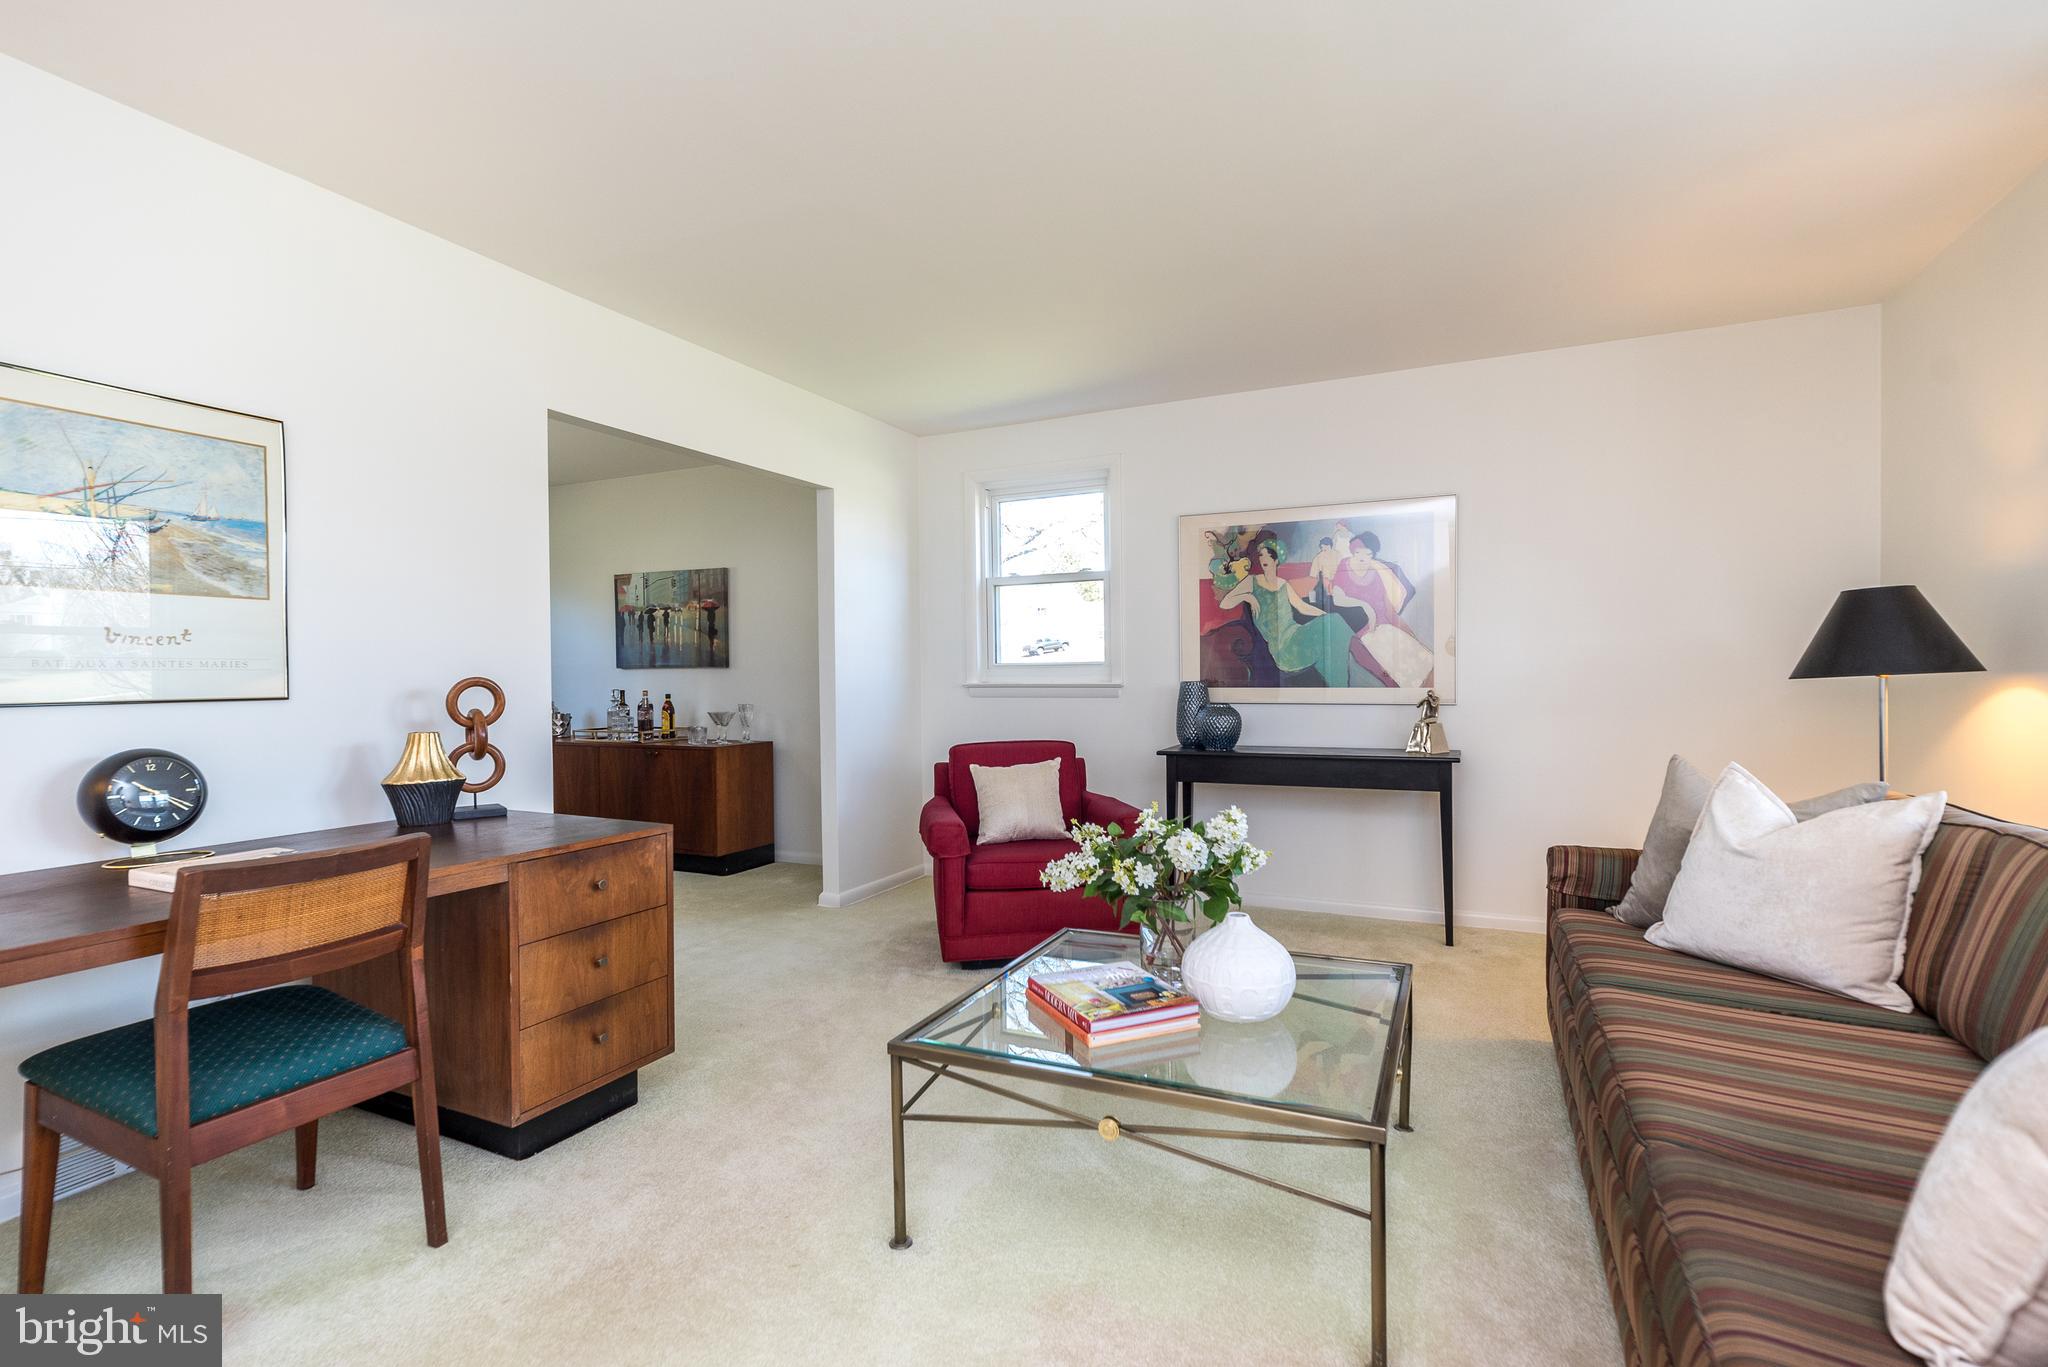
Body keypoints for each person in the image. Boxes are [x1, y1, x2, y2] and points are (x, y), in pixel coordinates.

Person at [1215, 538, 1353, 687]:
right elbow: (1224, 603)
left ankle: (1339, 687)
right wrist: (1247, 596)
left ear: (1276, 560)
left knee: (1336, 623)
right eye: (1261, 556)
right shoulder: (1252, 581)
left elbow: (1303, 607)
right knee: (1335, 631)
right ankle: (1340, 687)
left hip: (1297, 634)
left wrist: (1327, 616)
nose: (1264, 559)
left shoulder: (1283, 584)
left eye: (1268, 555)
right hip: (1283, 648)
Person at [1329, 532, 1432, 688]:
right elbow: (1337, 598)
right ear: (1352, 552)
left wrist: (1406, 630)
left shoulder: (1376, 574)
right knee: (1397, 663)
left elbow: (1387, 607)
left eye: (1368, 554)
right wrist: (1365, 605)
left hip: (1383, 625)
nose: (1362, 558)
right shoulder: (1344, 566)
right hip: (1363, 628)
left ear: (1373, 555)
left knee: (1420, 656)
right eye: (1358, 553)